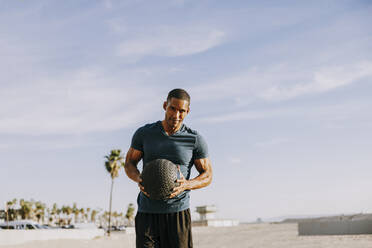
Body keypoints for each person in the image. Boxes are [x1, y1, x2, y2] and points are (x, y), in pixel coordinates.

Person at [124, 88, 213, 248]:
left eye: (182, 111)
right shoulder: (145, 134)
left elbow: (208, 175)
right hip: (147, 212)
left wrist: (187, 184)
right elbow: (130, 162)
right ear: (165, 105)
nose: (176, 115)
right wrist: (139, 178)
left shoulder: (194, 139)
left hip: (177, 213)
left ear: (188, 111)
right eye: (173, 108)